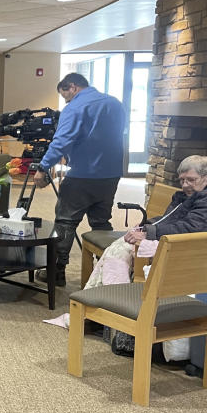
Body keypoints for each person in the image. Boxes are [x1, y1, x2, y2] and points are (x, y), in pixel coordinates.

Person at [86, 155, 207, 289]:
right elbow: (170, 219)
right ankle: (101, 301)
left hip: (198, 254)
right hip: (185, 243)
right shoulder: (198, 193)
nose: (185, 185)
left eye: (191, 180)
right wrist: (144, 227)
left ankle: (111, 303)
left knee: (122, 249)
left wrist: (149, 233)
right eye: (182, 180)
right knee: (122, 245)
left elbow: (190, 229)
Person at [33, 72, 126, 287]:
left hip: (83, 174)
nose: (66, 100)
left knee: (65, 221)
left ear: (72, 87)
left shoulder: (75, 107)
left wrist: (43, 167)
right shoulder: (114, 103)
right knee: (101, 222)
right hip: (111, 173)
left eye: (65, 95)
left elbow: (62, 140)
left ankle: (56, 272)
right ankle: (108, 272)